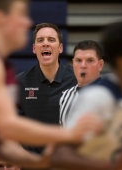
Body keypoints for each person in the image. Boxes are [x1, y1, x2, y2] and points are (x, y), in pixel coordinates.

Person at [0, 0, 94, 169]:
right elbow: (8, 126)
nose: (27, 22)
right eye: (21, 14)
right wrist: (69, 135)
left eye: (51, 39)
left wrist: (40, 162)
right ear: (0, 19)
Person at [50, 21, 122, 170]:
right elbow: (59, 157)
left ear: (101, 64)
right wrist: (114, 165)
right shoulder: (97, 98)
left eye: (89, 61)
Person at [17, 23, 77, 153]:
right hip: (32, 163)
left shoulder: (77, 80)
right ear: (34, 48)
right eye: (40, 40)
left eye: (51, 40)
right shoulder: (20, 82)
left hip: (67, 162)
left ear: (60, 48)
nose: (45, 43)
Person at [59, 40, 104, 126]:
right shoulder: (65, 96)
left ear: (100, 65)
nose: (83, 65)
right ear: (73, 63)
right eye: (78, 60)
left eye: (90, 60)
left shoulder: (110, 95)